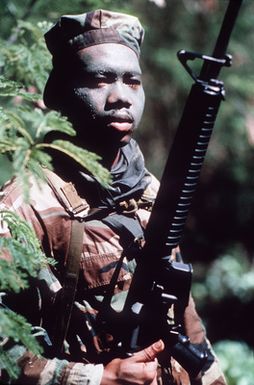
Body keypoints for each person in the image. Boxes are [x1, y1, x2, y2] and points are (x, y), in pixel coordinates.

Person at [0, 9, 227, 385]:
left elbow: (184, 316)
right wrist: (92, 378)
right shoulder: (25, 206)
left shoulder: (151, 189)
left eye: (132, 81)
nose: (120, 96)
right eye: (100, 79)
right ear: (61, 93)